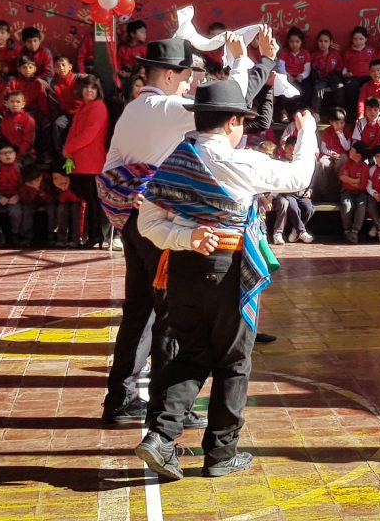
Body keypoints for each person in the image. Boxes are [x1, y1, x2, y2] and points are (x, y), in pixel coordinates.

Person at [133, 79, 318, 481]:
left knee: (192, 353)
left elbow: (148, 224)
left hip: (184, 267)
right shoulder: (241, 163)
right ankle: (220, 452)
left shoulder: (175, 160)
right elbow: (300, 176)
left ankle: (161, 438)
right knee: (234, 361)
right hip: (227, 268)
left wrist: (186, 237)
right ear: (234, 121)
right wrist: (309, 134)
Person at [98, 32, 271, 426]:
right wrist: (245, 61)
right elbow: (228, 103)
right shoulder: (169, 108)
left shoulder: (131, 111)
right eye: (189, 74)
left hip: (134, 219)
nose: (193, 81)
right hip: (161, 223)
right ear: (172, 75)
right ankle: (165, 409)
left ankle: (120, 397)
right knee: (169, 316)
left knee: (139, 311)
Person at [64, 75, 109, 248]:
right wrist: (68, 148)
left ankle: (96, 235)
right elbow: (74, 132)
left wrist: (68, 148)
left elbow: (87, 135)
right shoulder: (85, 107)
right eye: (86, 87)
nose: (89, 90)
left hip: (92, 161)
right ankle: (94, 235)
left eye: (93, 87)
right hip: (82, 160)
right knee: (90, 201)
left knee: (93, 201)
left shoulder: (98, 107)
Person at [0, 144, 24, 245]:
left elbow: (24, 186)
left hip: (15, 197)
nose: (8, 155)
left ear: (15, 154)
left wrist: (18, 196)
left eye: (10, 153)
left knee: (15, 212)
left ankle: (15, 233)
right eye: (4, 153)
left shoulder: (20, 168)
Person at [340, 26, 375, 118]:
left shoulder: (370, 50)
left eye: (361, 39)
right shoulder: (348, 52)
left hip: (368, 76)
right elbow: (344, 67)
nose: (358, 41)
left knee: (371, 86)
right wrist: (345, 74)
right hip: (354, 77)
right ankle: (352, 111)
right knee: (350, 86)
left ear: (366, 39)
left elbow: (376, 64)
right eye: (355, 39)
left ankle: (370, 109)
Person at [338, 145, 370, 244]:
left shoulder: (364, 167)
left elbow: (362, 186)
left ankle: (355, 231)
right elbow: (342, 177)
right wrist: (355, 181)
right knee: (347, 205)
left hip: (361, 193)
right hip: (347, 191)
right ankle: (347, 230)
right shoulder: (347, 163)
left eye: (352, 150)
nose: (350, 151)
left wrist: (349, 181)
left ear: (358, 154)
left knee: (361, 206)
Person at [307, 30, 343, 112]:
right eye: (320, 41)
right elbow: (311, 68)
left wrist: (336, 73)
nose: (323, 44)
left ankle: (339, 109)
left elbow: (340, 66)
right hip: (321, 78)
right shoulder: (314, 55)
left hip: (333, 77)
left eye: (326, 41)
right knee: (317, 88)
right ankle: (315, 110)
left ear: (331, 42)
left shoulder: (335, 55)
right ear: (317, 42)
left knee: (340, 87)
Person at [0, 91, 37, 161]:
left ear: (23, 104)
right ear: (7, 104)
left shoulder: (28, 119)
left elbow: (28, 142)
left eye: (18, 102)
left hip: (25, 154)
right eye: (12, 102)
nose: (15, 104)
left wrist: (17, 154)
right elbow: (4, 138)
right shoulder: (5, 119)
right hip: (9, 153)